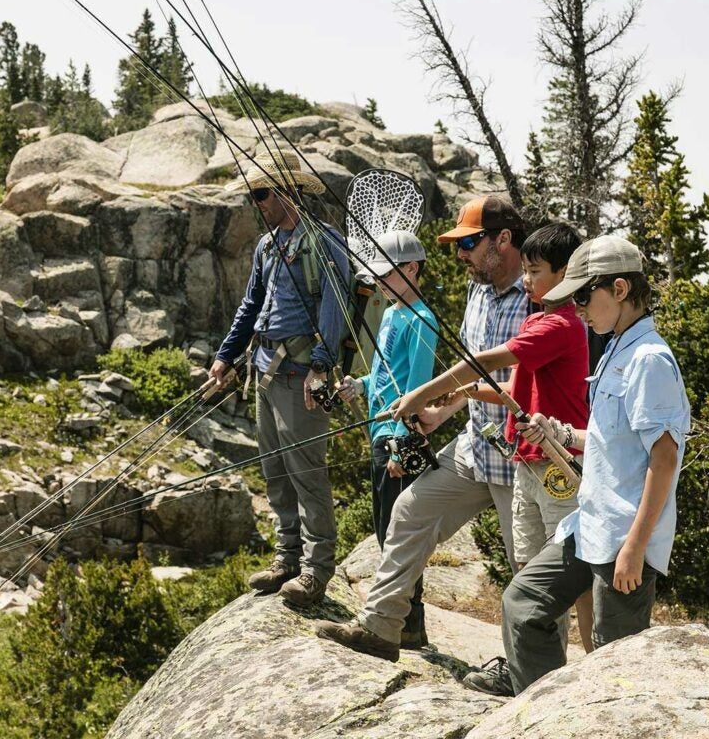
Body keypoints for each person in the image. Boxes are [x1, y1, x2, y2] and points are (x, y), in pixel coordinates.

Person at [316, 194, 528, 661]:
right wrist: (441, 411)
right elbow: (468, 370)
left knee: (527, 567)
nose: (460, 255)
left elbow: (522, 387)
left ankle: (526, 672)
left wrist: (430, 401)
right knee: (408, 514)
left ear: (503, 240)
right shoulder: (477, 293)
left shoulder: (537, 299)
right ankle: (382, 627)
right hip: (475, 448)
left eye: (468, 243)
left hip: (520, 458)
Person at [384, 222, 593, 693]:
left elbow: (490, 360)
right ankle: (534, 675)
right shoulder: (537, 321)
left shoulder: (561, 325)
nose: (526, 280)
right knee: (529, 572)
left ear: (566, 275)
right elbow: (509, 389)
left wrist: (422, 392)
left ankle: (594, 668)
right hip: (526, 462)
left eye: (536, 272)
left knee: (571, 573)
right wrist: (446, 402)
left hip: (558, 466)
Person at [501, 234, 691, 694]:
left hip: (624, 539)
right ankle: (545, 716)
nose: (578, 308)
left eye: (584, 295)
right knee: (523, 604)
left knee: (614, 662)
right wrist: (562, 434)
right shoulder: (616, 349)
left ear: (621, 290)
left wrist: (635, 548)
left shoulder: (650, 360)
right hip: (589, 526)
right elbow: (612, 441)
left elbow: (663, 461)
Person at [209, 151, 350, 607]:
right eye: (252, 196)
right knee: (274, 470)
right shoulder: (267, 247)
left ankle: (315, 569)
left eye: (262, 194)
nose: (256, 203)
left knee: (307, 472)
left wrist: (323, 365)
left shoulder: (323, 241)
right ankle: (286, 558)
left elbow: (335, 303)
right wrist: (226, 356)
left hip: (301, 371)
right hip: (264, 371)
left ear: (288, 191)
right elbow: (250, 306)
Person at [338, 230, 439, 648]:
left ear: (412, 269)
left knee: (398, 535)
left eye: (388, 273)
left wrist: (403, 440)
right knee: (385, 530)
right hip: (379, 431)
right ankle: (408, 622)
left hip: (397, 438)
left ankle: (407, 623)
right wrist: (360, 386)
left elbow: (418, 385)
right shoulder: (394, 313)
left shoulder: (422, 320)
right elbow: (385, 374)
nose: (379, 282)